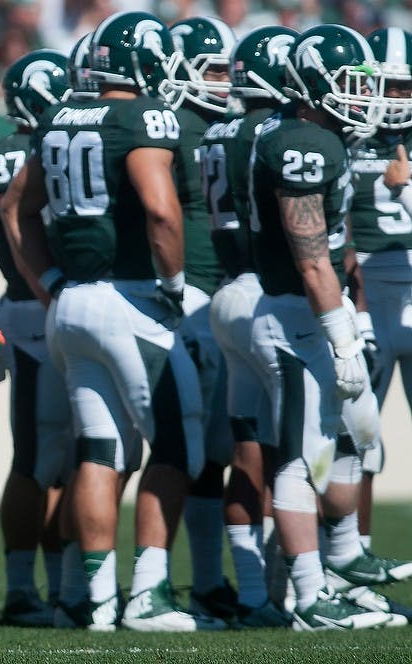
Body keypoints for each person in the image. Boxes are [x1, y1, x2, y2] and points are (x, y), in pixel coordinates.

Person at [9, 11, 222, 632]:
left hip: (72, 302)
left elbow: (15, 208)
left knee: (99, 450)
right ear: (148, 61)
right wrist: (178, 287)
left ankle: (95, 599)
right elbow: (160, 211)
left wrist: (46, 280)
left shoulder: (57, 116)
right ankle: (149, 594)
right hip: (132, 300)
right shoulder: (142, 119)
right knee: (179, 445)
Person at [247, 23, 394, 631]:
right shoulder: (301, 140)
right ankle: (308, 598)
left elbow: (332, 251)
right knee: (300, 457)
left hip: (308, 309)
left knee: (355, 443)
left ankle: (341, 563)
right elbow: (310, 258)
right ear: (311, 84)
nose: (365, 97)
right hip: (289, 311)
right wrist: (343, 335)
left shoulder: (323, 139)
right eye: (351, 84)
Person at [198, 24, 299, 627]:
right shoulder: (275, 132)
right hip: (271, 293)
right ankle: (305, 583)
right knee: (301, 447)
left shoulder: (216, 129)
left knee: (246, 450)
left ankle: (256, 590)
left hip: (227, 290)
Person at [0, 48, 73, 628]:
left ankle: (57, 588)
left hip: (38, 305)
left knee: (60, 459)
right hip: (35, 308)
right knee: (39, 456)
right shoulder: (12, 154)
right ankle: (22, 588)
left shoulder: (38, 147)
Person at [337, 25, 412, 614]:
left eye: (401, 86)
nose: (388, 98)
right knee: (357, 441)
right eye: (378, 85)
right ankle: (352, 569)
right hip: (360, 295)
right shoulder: (337, 132)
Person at [169, 15, 239, 623]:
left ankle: (212, 580)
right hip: (188, 296)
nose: (223, 82)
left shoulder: (221, 127)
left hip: (212, 296)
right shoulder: (176, 129)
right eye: (213, 70)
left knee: (212, 448)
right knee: (186, 449)